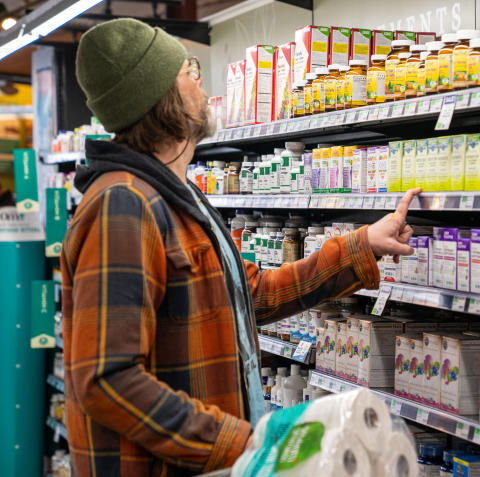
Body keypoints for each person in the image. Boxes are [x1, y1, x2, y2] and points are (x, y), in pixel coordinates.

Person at [62, 18, 420, 477]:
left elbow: (251, 296)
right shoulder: (123, 205)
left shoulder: (176, 195)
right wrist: (239, 442)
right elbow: (107, 380)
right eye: (189, 71)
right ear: (161, 99)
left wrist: (361, 245)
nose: (200, 84)